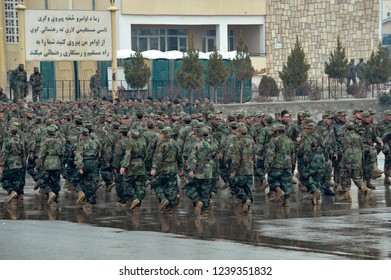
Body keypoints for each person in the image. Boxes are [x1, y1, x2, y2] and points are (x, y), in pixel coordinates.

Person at [151, 127, 184, 214]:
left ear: (163, 135)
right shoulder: (175, 143)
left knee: (156, 184)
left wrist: (154, 168)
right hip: (173, 168)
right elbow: (180, 156)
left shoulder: (161, 144)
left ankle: (163, 198)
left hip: (163, 169)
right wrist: (180, 167)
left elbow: (158, 157)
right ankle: (170, 207)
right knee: (172, 188)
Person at [337, 122, 372, 203]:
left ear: (346, 128)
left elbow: (348, 150)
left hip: (349, 160)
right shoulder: (358, 136)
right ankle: (365, 189)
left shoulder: (346, 137)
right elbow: (362, 149)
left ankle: (346, 196)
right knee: (357, 177)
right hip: (357, 160)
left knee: (345, 176)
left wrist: (348, 162)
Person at [265, 124, 295, 207]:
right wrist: (293, 164)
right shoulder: (289, 140)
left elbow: (270, 153)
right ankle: (287, 201)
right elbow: (293, 154)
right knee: (286, 182)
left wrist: (267, 163)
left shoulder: (274, 140)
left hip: (277, 164)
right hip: (288, 164)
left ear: (277, 131)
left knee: (272, 179)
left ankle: (278, 190)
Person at [186, 126, 214, 217]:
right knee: (205, 191)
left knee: (190, 187)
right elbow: (212, 156)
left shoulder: (195, 145)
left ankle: (197, 201)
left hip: (198, 170)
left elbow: (193, 158)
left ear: (195, 135)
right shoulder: (208, 145)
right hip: (208, 170)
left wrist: (191, 169)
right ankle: (205, 211)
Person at [35, 125, 64, 205]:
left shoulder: (45, 141)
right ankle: (55, 198)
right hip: (56, 163)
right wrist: (61, 164)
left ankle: (50, 192)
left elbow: (42, 155)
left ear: (47, 133)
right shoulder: (59, 141)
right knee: (56, 181)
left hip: (47, 164)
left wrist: (37, 166)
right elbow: (62, 154)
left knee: (42, 180)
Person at [229, 125, 255, 213]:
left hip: (241, 169)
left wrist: (233, 170)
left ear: (240, 132)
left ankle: (245, 199)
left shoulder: (238, 143)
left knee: (235, 185)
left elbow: (236, 158)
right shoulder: (251, 141)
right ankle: (248, 205)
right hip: (249, 168)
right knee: (247, 187)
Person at [120, 129, 147, 211]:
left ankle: (134, 198)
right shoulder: (143, 143)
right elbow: (146, 155)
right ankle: (138, 202)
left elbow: (128, 155)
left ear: (131, 136)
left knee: (126, 182)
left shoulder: (130, 143)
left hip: (132, 165)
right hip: (141, 164)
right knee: (139, 184)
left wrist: (123, 166)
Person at [74, 128, 100, 211]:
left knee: (75, 179)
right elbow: (98, 153)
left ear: (82, 135)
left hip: (84, 162)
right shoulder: (94, 142)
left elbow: (79, 155)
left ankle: (80, 192)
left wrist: (80, 166)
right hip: (93, 162)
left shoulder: (81, 143)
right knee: (90, 182)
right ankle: (88, 202)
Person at [0, 126, 27, 204]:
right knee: (16, 181)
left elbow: (4, 153)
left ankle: (11, 191)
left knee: (4, 179)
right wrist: (23, 164)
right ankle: (15, 197)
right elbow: (23, 153)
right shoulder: (20, 140)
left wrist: (1, 163)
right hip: (19, 163)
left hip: (9, 163)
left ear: (10, 132)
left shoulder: (7, 140)